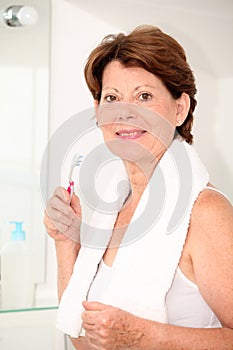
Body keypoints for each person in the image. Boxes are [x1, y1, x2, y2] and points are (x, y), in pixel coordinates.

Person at [44, 25, 233, 349]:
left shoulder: (205, 213)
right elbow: (82, 338)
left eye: (144, 96)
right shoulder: (110, 210)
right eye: (112, 97)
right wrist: (66, 244)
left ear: (180, 108)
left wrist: (145, 337)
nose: (124, 112)